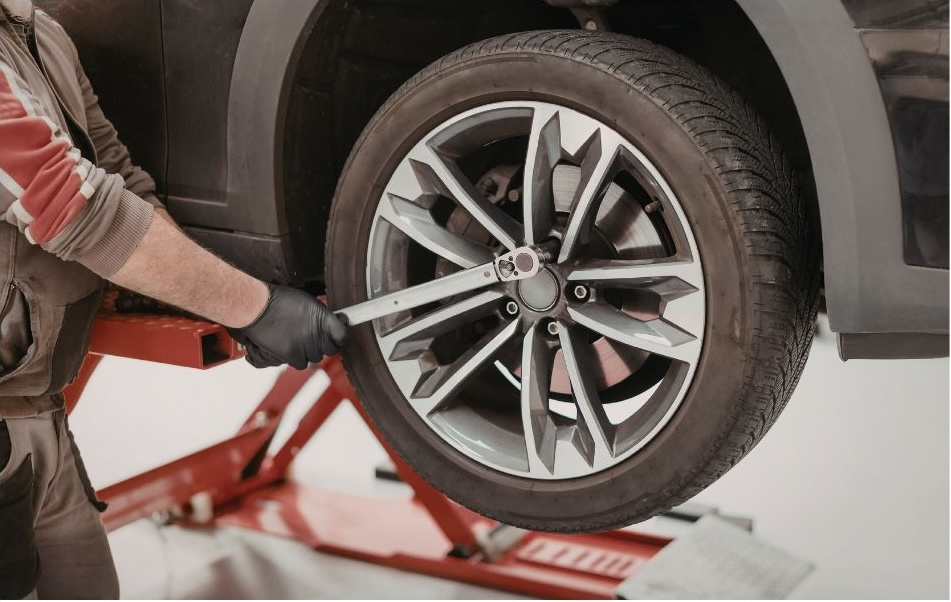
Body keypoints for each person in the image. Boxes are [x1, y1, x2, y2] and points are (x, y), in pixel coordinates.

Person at [0, 1, 347, 598]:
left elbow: (117, 173)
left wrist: (216, 300)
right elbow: (73, 207)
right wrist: (254, 307)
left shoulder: (41, 30)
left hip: (40, 419)